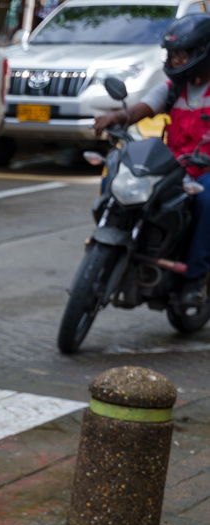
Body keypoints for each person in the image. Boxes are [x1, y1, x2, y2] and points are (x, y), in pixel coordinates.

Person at [94, 14, 210, 307]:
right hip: (176, 167)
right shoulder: (174, 88)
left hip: (205, 170)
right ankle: (117, 241)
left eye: (181, 55)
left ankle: (195, 279)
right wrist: (115, 117)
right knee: (122, 178)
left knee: (206, 201)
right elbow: (141, 108)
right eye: (172, 55)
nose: (174, 62)